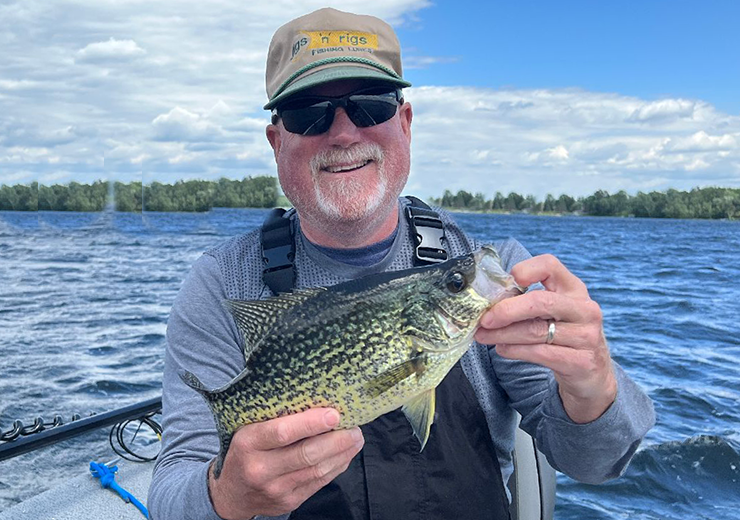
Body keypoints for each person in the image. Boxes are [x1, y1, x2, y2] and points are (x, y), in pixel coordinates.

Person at [148, 7, 655, 520]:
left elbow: (595, 463)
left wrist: (593, 381)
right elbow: (173, 491)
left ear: (405, 123)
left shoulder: (497, 271)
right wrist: (228, 495)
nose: (344, 134)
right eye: (308, 112)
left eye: (370, 106)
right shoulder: (221, 284)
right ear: (277, 141)